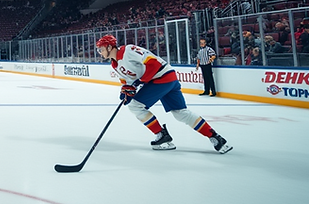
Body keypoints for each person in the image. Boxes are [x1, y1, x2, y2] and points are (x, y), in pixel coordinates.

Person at [95, 35, 232, 154]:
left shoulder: (128, 50)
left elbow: (153, 63)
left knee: (135, 106)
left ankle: (161, 135)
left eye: (101, 49)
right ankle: (216, 138)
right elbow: (127, 81)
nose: (100, 52)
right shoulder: (114, 65)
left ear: (109, 47)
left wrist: (138, 83)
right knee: (180, 113)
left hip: (161, 78)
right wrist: (126, 90)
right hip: (167, 79)